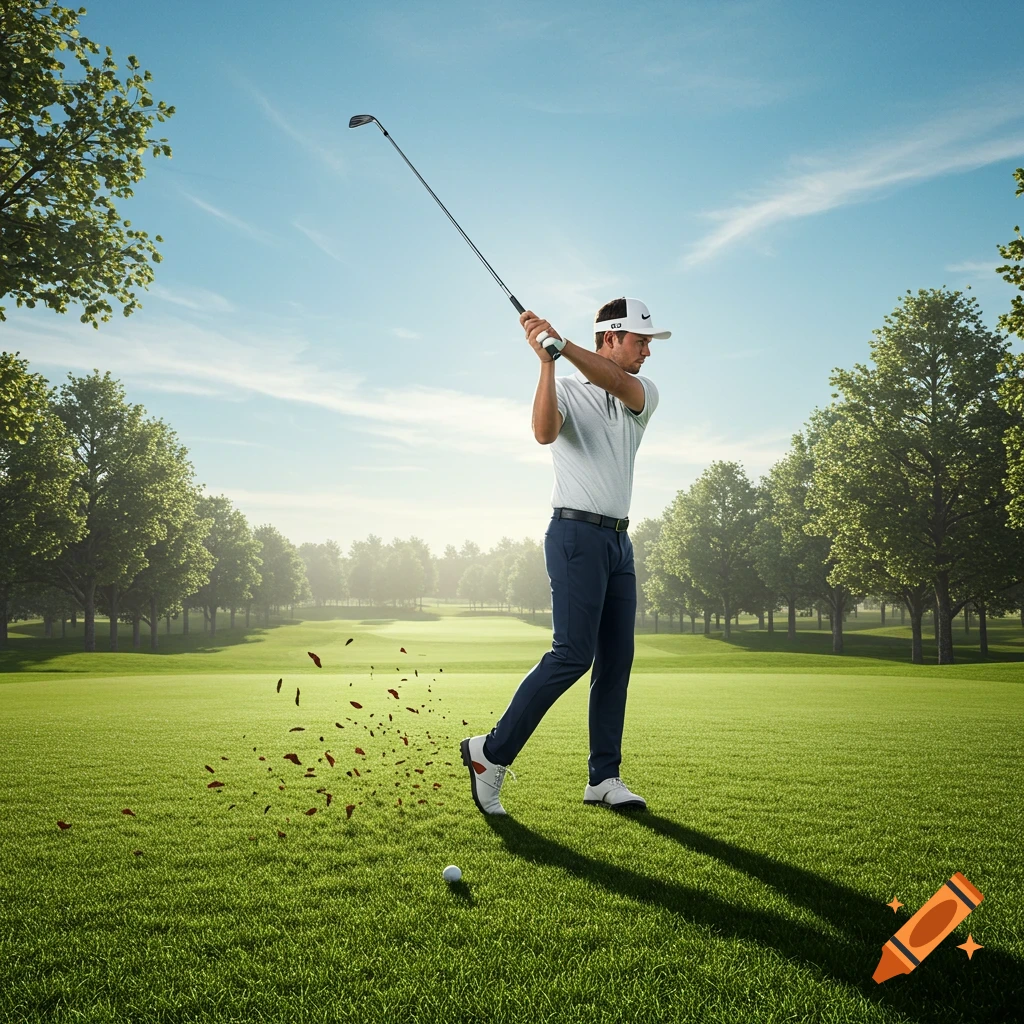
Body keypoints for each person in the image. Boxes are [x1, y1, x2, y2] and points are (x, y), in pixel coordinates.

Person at [461, 296, 671, 815]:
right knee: (573, 654)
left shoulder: (641, 392)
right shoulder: (570, 388)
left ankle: (604, 777)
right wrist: (547, 361)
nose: (647, 350)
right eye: (639, 340)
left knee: (616, 660)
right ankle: (490, 753)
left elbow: (618, 383)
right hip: (575, 535)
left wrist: (564, 344)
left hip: (619, 541)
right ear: (611, 338)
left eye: (648, 342)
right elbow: (543, 433)